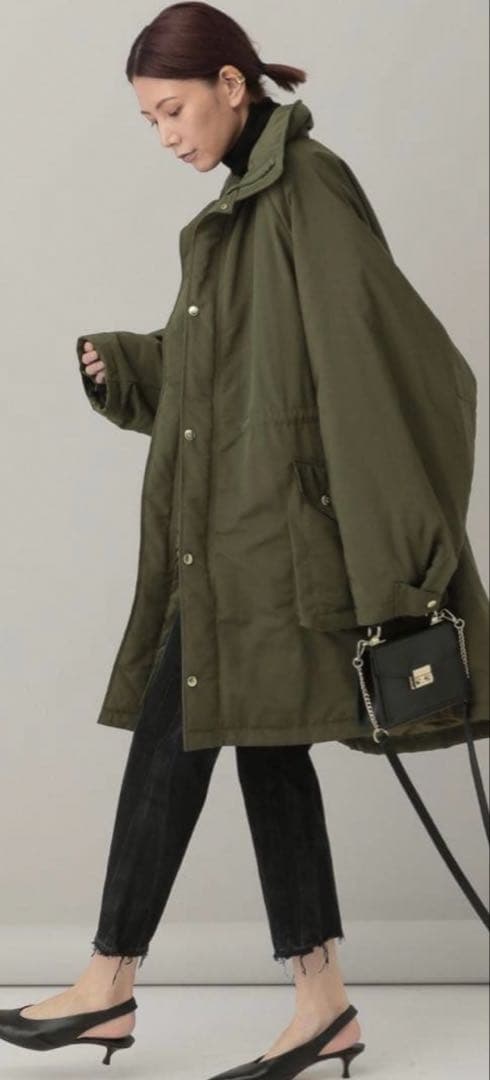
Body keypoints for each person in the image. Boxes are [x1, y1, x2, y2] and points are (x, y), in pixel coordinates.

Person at [2, 2, 487, 1077]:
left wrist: (400, 564)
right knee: (265, 747)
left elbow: (377, 366)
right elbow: (226, 372)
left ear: (232, 84)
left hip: (279, 547)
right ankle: (323, 1005)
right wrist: (133, 363)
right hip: (239, 537)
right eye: (148, 120)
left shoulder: (305, 189)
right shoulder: (244, 205)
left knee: (173, 737)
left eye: (173, 109)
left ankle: (107, 981)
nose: (166, 135)